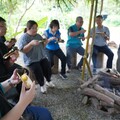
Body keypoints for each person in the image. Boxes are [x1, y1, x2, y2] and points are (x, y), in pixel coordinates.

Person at [16, 20, 54, 93]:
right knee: (38, 70)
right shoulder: (24, 37)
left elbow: (42, 46)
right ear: (28, 28)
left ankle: (48, 81)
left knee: (47, 66)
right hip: (31, 60)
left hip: (41, 57)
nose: (35, 30)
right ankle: (42, 85)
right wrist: (30, 44)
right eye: (33, 28)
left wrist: (46, 42)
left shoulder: (38, 35)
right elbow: (23, 50)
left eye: (36, 28)